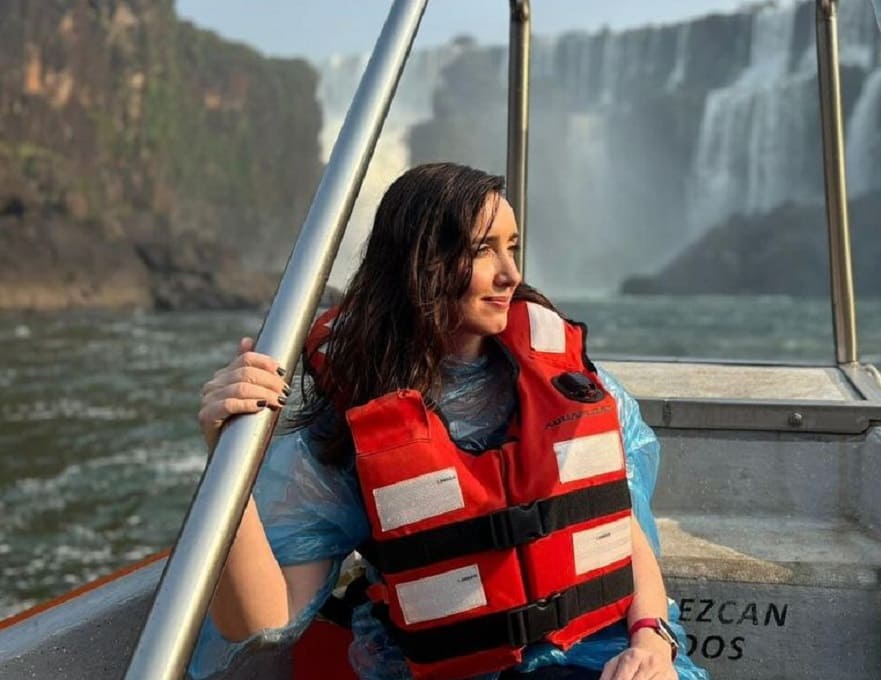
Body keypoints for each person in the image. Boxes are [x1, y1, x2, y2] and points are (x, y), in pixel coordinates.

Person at [191, 162, 708, 680]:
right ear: (420, 262)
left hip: (607, 656)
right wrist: (226, 453)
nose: (511, 274)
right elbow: (262, 620)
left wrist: (652, 642)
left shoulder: (572, 383)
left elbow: (620, 530)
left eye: (513, 248)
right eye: (483, 250)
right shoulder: (355, 425)